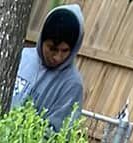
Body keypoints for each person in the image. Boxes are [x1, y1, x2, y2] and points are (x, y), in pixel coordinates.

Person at [12, 5, 86, 133]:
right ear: (42, 40)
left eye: (65, 51)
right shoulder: (22, 57)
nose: (57, 57)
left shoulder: (72, 84)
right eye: (52, 48)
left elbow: (57, 134)